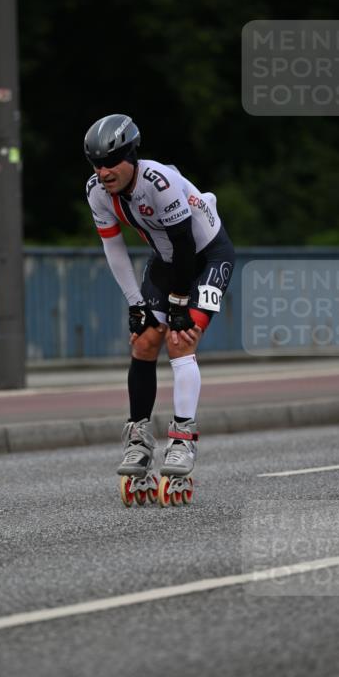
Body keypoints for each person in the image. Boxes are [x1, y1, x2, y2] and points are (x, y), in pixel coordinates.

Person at [83, 113, 235, 492]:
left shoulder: (159, 181)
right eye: (96, 164)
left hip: (206, 257)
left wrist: (180, 304)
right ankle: (138, 438)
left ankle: (182, 440)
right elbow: (113, 248)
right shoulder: (96, 191)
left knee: (180, 339)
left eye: (111, 162)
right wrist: (135, 304)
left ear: (131, 156)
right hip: (167, 260)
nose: (103, 172)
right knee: (144, 340)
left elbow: (185, 244)